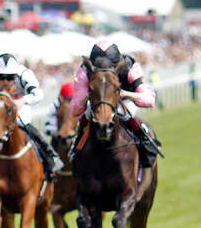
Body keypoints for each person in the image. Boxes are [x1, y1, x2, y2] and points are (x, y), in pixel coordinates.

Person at [69, 40, 162, 168]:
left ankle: (146, 142)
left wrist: (125, 94)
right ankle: (75, 147)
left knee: (124, 114)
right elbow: (74, 109)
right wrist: (87, 96)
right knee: (86, 116)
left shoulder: (128, 66)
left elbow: (149, 99)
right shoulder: (85, 70)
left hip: (125, 100)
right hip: (98, 101)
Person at [0, 53, 64, 180]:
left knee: (28, 129)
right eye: (1, 77)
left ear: (15, 74)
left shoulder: (24, 73)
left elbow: (38, 93)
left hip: (20, 112)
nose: (5, 81)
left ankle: (51, 157)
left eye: (9, 78)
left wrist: (22, 101)